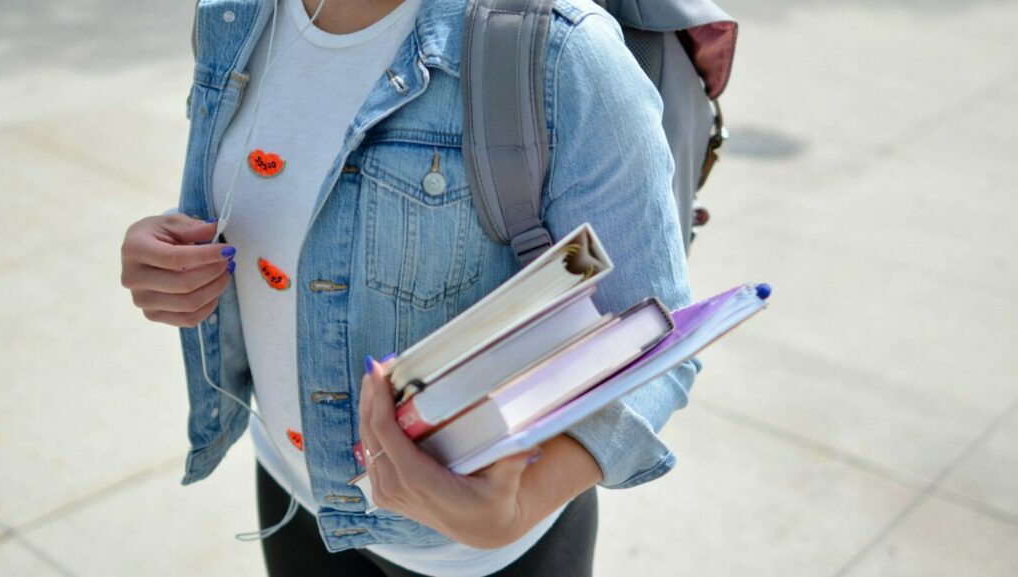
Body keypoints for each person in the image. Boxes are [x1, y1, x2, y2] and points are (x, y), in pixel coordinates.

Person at [119, 0, 698, 574]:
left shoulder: (561, 49)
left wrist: (517, 508)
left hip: (476, 556)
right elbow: (288, 199)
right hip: (292, 490)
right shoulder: (235, 14)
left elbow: (653, 335)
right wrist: (173, 257)